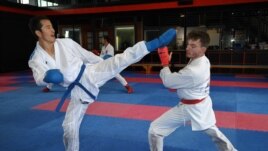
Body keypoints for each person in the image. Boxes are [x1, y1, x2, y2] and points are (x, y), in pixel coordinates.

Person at [28, 15, 176, 151]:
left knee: (120, 60)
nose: (52, 30)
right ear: (38, 33)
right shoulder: (36, 58)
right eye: (47, 27)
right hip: (77, 91)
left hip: (90, 73)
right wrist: (47, 77)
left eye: (52, 26)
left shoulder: (66, 43)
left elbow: (86, 55)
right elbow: (38, 77)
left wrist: (102, 62)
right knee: (69, 127)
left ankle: (155, 43)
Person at [148, 30, 237, 151]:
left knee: (155, 130)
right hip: (202, 103)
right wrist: (181, 86)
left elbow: (168, 81)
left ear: (203, 49)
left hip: (190, 107)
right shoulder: (204, 60)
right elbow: (187, 81)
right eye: (188, 44)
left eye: (193, 46)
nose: (188, 48)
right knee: (213, 132)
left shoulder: (193, 71)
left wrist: (165, 63)